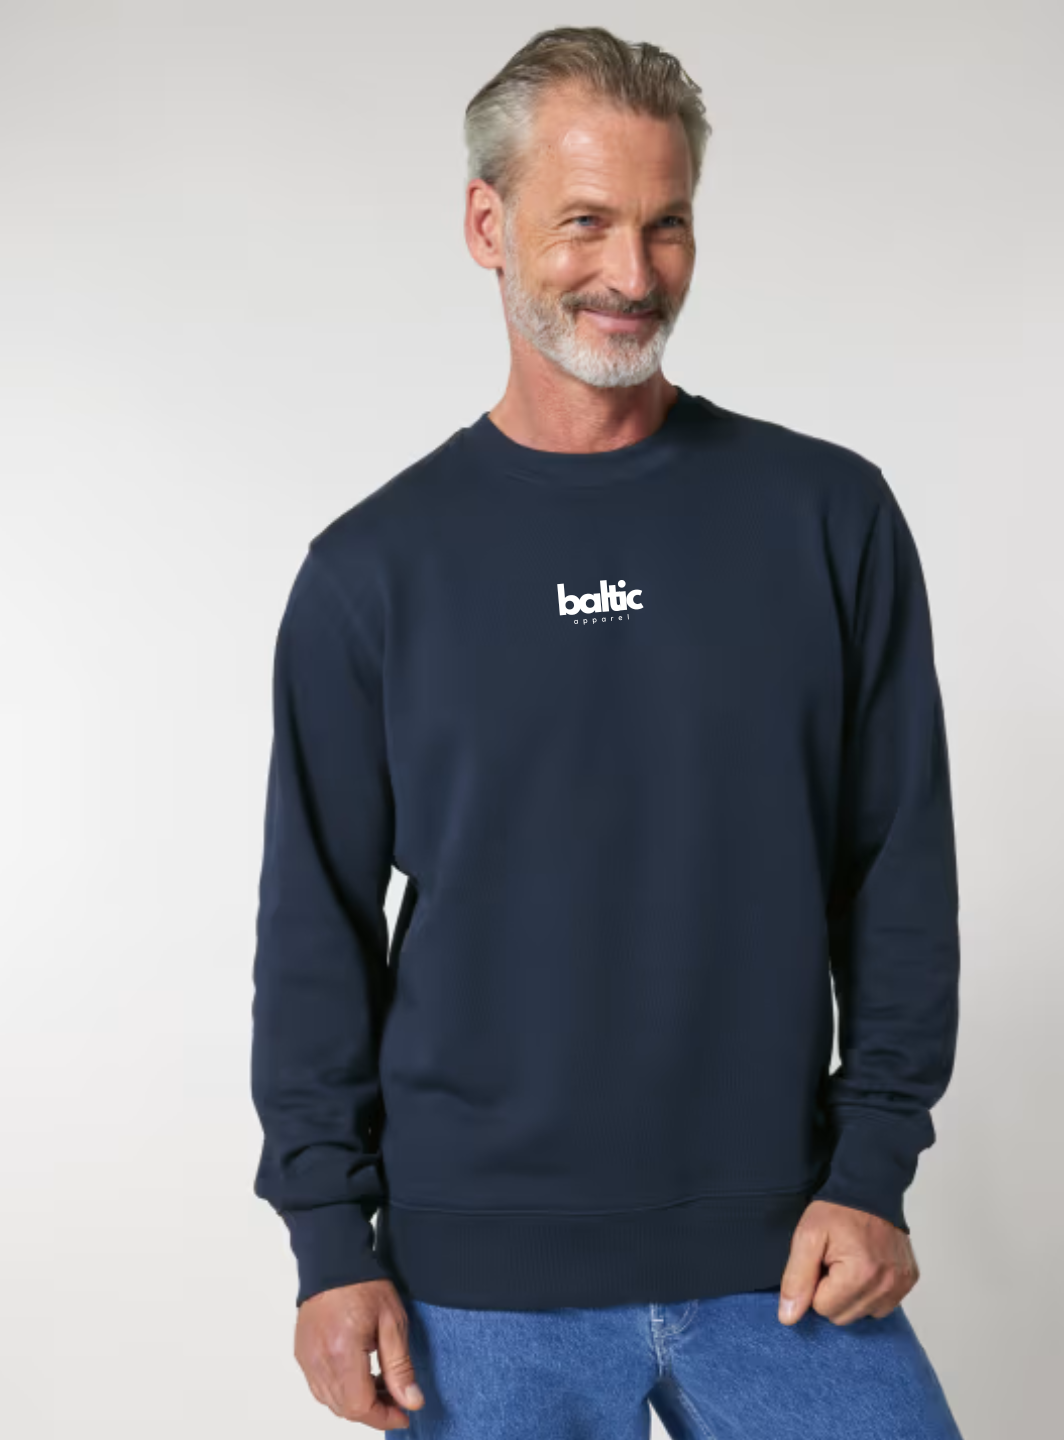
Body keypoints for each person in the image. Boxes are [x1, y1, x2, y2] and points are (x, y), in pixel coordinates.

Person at [250, 24, 963, 1438]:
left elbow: (896, 869)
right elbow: (316, 928)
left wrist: (872, 1169)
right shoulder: (372, 571)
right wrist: (330, 1245)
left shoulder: (827, 518)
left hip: (790, 1256)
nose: (632, 274)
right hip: (474, 1284)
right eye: (584, 221)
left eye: (666, 224)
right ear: (487, 224)